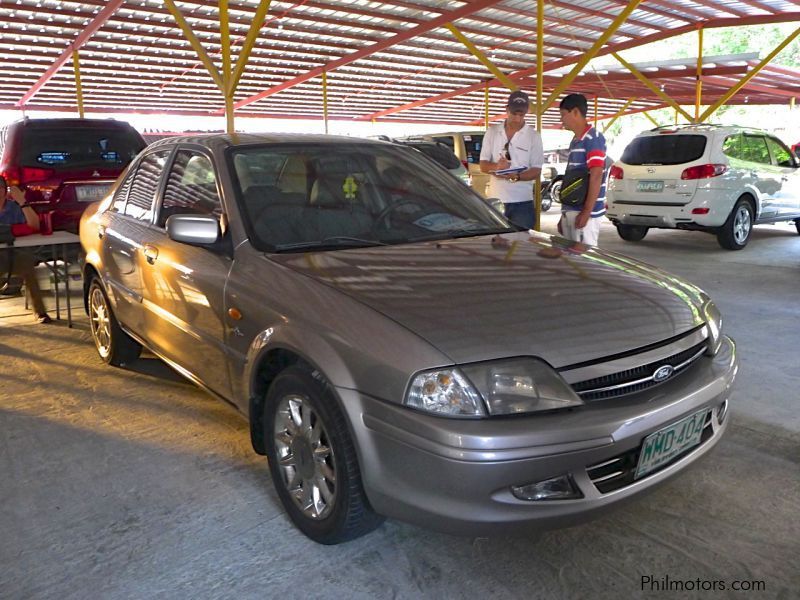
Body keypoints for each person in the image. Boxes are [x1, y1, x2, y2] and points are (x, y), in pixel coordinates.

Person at [480, 90, 544, 230]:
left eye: (521, 115)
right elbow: (483, 165)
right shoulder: (492, 132)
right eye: (514, 113)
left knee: (521, 245)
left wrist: (516, 176)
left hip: (522, 202)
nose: (517, 118)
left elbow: (536, 170)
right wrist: (496, 167)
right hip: (496, 200)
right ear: (507, 109)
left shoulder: (534, 136)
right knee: (495, 245)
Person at [558, 93, 608, 246]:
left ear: (575, 112)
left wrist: (587, 211)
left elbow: (596, 174)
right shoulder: (576, 140)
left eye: (563, 115)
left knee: (584, 259)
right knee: (571, 258)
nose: (561, 119)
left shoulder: (594, 139)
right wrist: (564, 213)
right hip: (572, 209)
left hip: (585, 213)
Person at [0, 175, 51, 323]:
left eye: (1, 188)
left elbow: (34, 225)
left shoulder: (13, 207)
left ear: (5, 191)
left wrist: (22, 201)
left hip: (14, 253)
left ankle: (40, 312)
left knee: (28, 267)